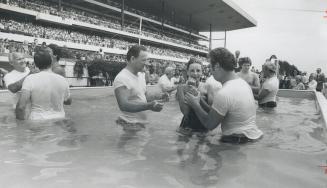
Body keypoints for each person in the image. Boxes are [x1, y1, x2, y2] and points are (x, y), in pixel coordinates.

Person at [184, 48, 263, 143]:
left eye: (210, 66)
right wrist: (199, 99)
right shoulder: (243, 83)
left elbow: (210, 124)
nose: (209, 70)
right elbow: (218, 113)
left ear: (217, 66)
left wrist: (195, 105)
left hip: (236, 141)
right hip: (252, 136)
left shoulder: (224, 92)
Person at [113, 45, 165, 130]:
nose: (147, 63)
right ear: (133, 59)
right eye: (144, 60)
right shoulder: (122, 78)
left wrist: (159, 96)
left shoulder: (141, 75)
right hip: (128, 124)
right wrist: (149, 106)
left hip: (139, 124)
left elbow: (143, 96)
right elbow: (123, 105)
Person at [15, 49, 72, 120]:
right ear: (51, 61)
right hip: (59, 120)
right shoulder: (62, 79)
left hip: (38, 122)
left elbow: (21, 107)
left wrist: (20, 126)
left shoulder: (30, 79)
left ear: (35, 64)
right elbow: (68, 101)